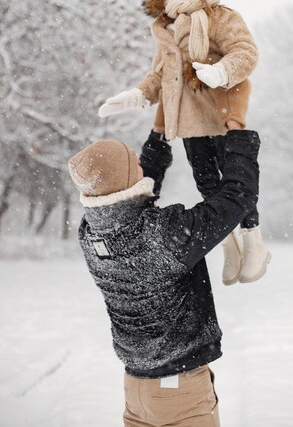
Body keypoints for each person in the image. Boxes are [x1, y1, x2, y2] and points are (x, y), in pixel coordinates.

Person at [98, 0, 271, 285]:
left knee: (234, 181)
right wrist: (136, 95)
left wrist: (220, 71)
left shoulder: (222, 17)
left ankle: (254, 239)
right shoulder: (166, 24)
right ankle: (229, 245)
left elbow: (246, 52)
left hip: (222, 111)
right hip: (189, 116)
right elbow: (161, 73)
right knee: (207, 182)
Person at [68, 128, 261, 427]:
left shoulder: (92, 234)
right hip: (178, 392)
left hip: (136, 390)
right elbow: (238, 196)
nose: (141, 166)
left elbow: (126, 198)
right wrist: (239, 137)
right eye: (135, 162)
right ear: (126, 178)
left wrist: (159, 136)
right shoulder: (165, 235)